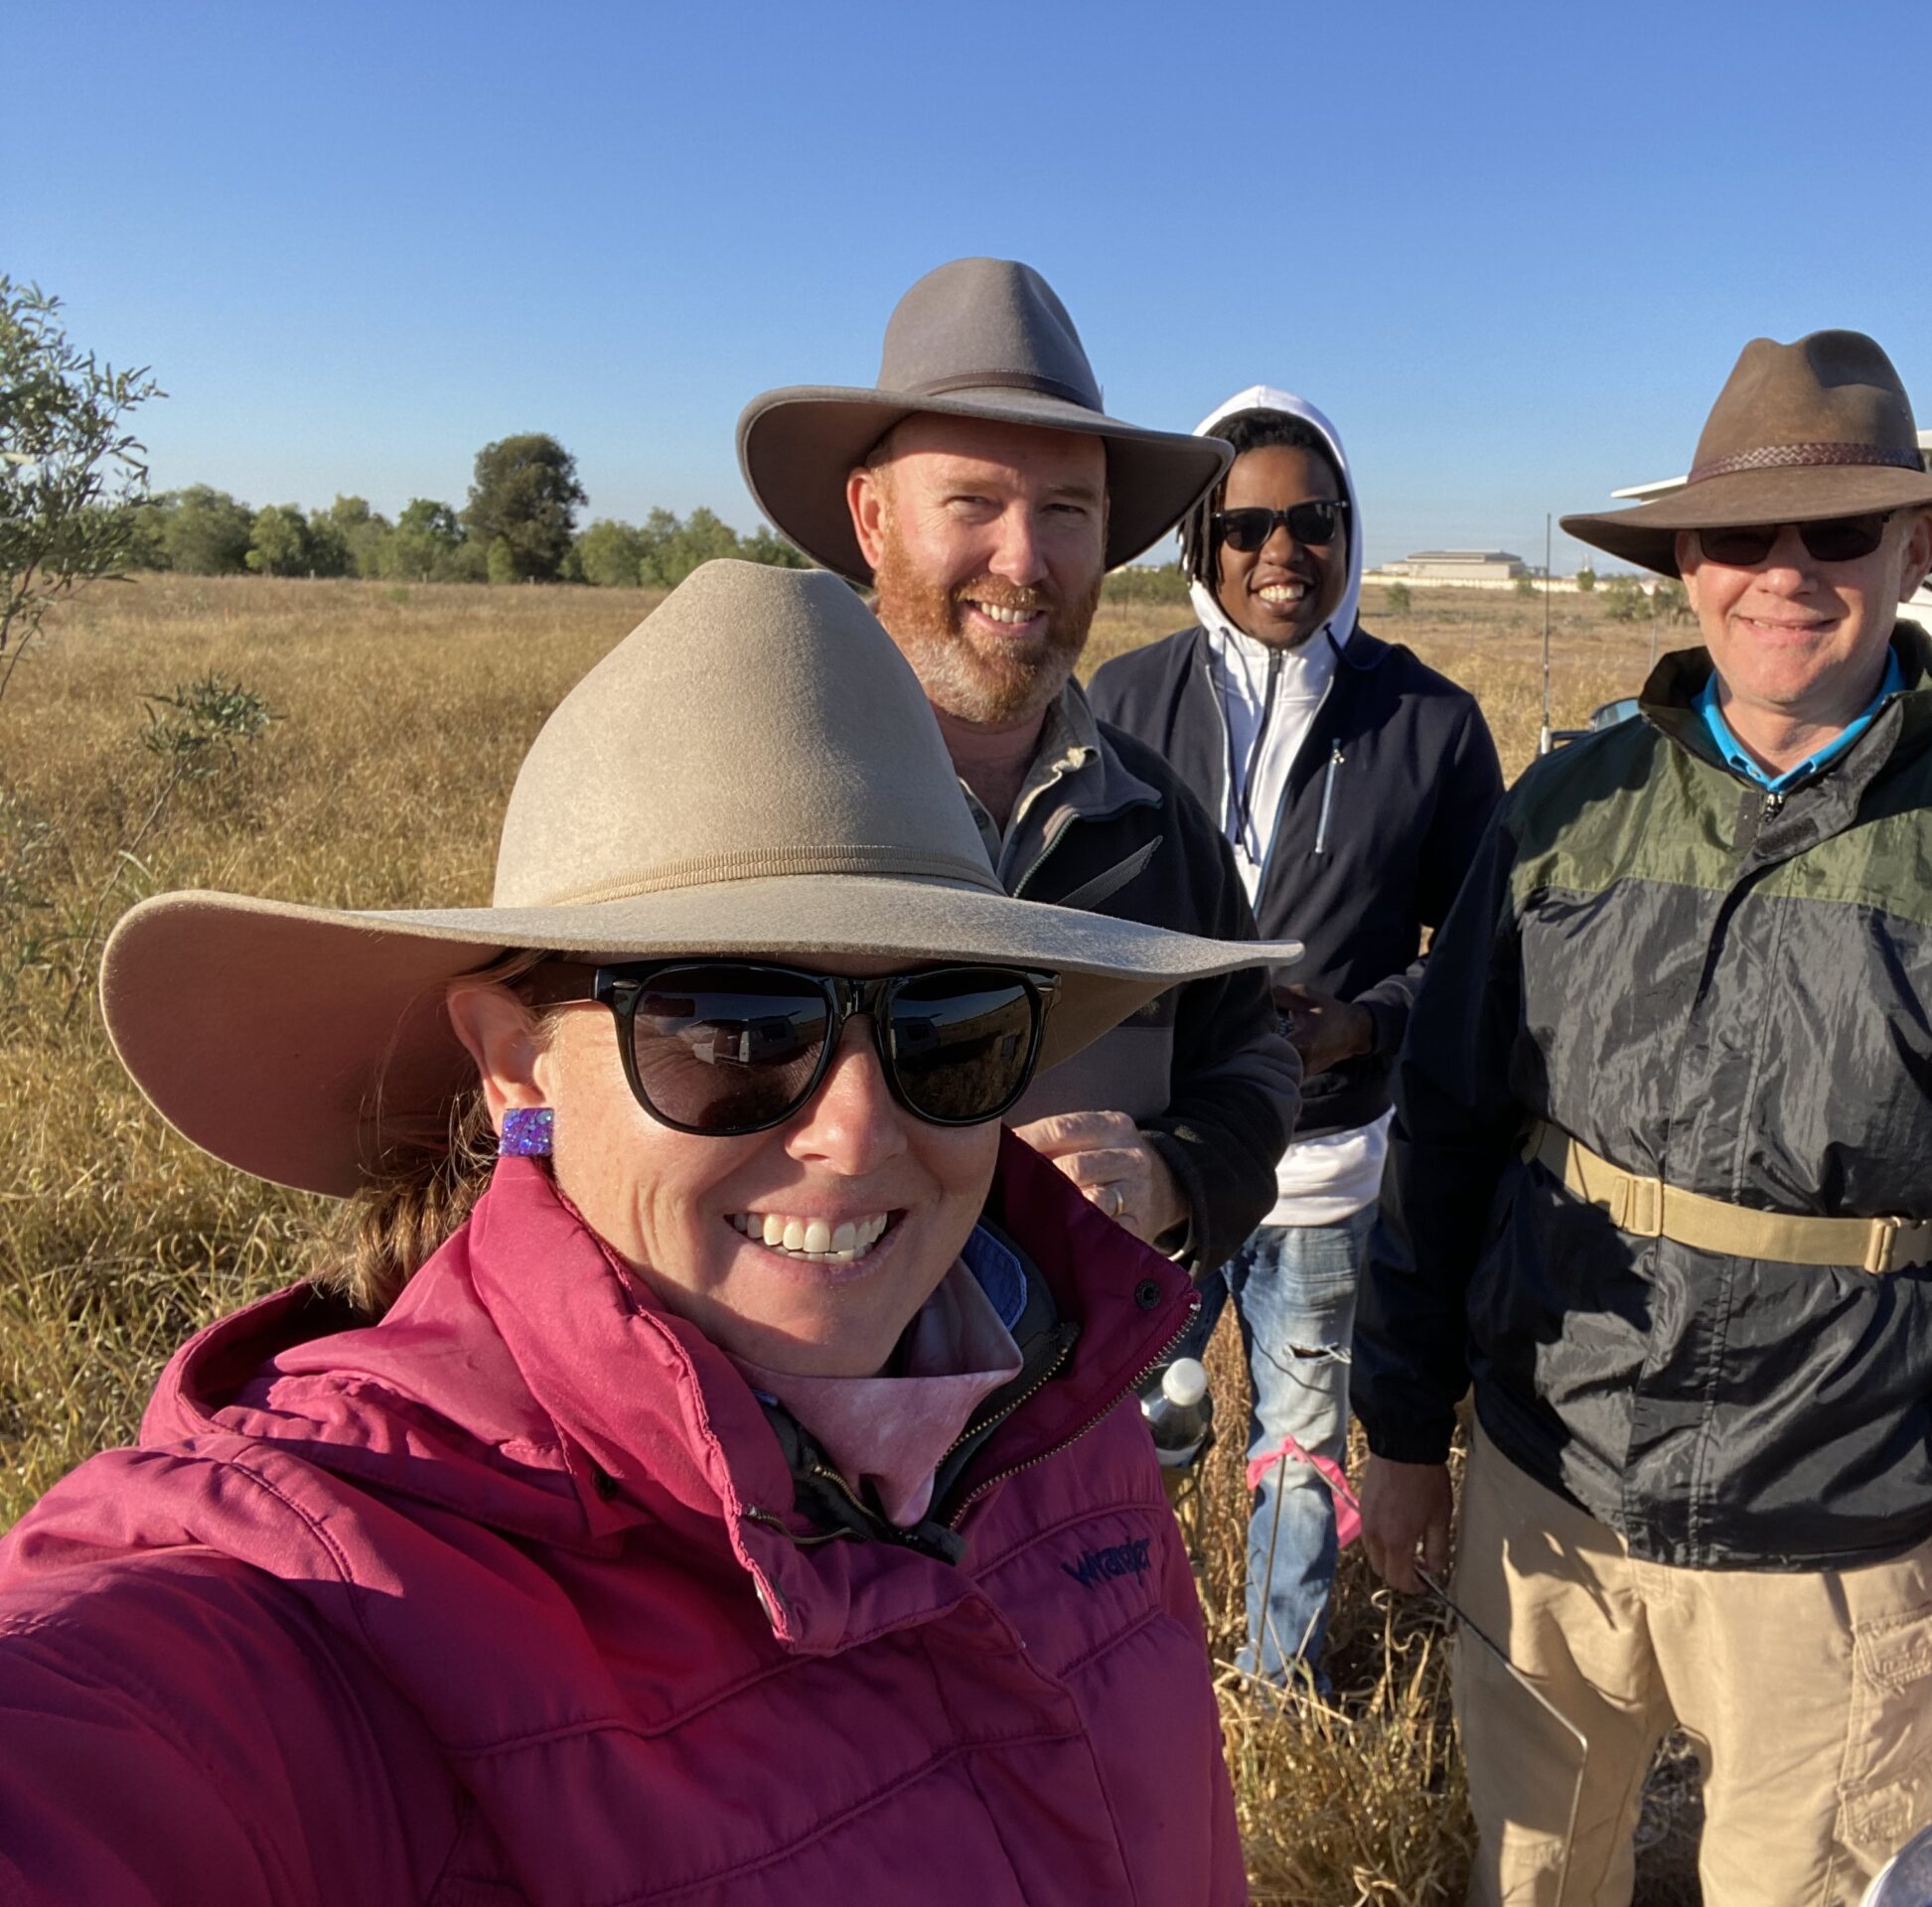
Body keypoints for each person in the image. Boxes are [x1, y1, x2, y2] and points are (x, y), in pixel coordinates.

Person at [0, 561, 1292, 1904]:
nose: (857, 1133)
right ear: (517, 1067)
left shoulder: (1054, 1393)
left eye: (945, 1030)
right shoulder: (331, 1590)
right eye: (731, 1027)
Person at [1352, 333, 1932, 1905]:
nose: (1785, 571)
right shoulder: (1565, 813)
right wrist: (1406, 1428)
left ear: (1917, 547)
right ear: (1687, 562)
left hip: (1847, 1527)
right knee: (1530, 1876)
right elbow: (1449, 1132)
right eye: (1743, 535)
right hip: (1552, 1486)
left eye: (1837, 532)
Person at [738, 258, 1299, 1276]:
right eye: (972, 503)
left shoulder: (1154, 821)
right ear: (872, 519)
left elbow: (1249, 1060)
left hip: (1086, 1407)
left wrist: (1169, 1177)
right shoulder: (748, 803)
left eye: (1067, 512)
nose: (1025, 560)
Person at [1088, 388, 1502, 1686]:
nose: (1280, 551)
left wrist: (1361, 1027)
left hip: (1327, 1168)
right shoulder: (1124, 700)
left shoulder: (1429, 723)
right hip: (1156, 1166)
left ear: (1349, 533)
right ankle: (1119, 1663)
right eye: (1244, 524)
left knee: (1305, 1445)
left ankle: (1278, 1684)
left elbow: (1487, 962)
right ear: (1198, 546)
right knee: (1128, 1426)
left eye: (1310, 521)